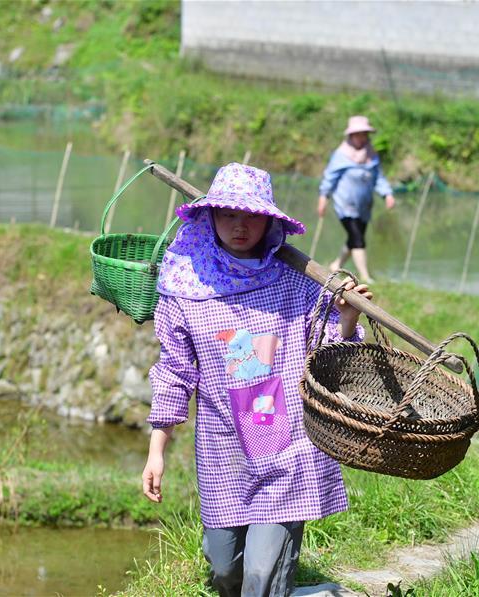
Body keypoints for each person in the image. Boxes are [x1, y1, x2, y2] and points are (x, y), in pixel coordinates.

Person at [141, 162, 372, 597]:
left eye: (250, 215)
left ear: (269, 220)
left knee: (261, 581)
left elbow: (329, 358)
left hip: (287, 446)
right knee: (226, 570)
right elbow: (174, 372)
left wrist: (347, 317)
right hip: (224, 449)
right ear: (209, 217)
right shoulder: (185, 285)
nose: (240, 226)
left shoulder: (297, 282)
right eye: (228, 214)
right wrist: (157, 451)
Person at [317, 115, 396, 284]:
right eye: (358, 134)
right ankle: (365, 275)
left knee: (354, 238)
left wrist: (387, 194)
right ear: (351, 136)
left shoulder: (371, 155)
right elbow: (330, 178)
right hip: (345, 205)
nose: (362, 138)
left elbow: (378, 177)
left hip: (364, 206)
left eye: (364, 134)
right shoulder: (341, 155)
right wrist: (324, 197)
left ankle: (336, 264)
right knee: (358, 239)